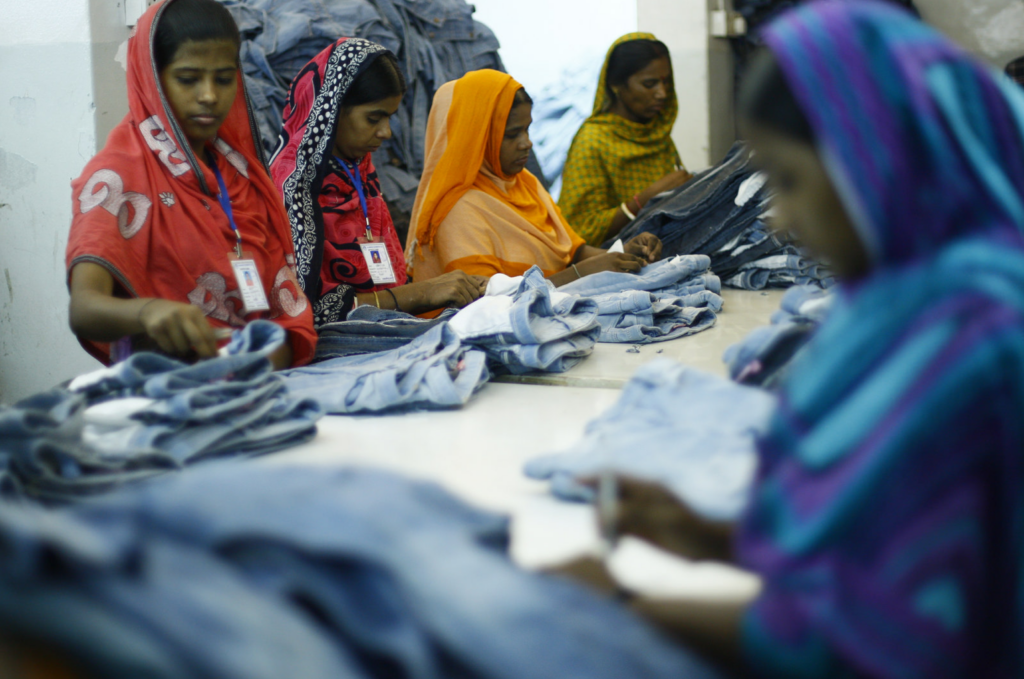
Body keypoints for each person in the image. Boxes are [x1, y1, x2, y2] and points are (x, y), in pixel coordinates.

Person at [558, 2, 1024, 677]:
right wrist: (713, 537)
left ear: (875, 158)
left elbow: (882, 645)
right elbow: (876, 542)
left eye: (791, 180)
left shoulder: (971, 342)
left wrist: (622, 604)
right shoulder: (903, 305)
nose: (777, 219)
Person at [66, 0, 315, 370]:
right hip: (166, 388)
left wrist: (257, 357)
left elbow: (285, 315)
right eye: (188, 79)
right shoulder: (117, 177)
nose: (209, 96)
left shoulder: (243, 178)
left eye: (224, 78)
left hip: (258, 382)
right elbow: (85, 308)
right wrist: (148, 312)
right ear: (152, 76)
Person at [271, 39, 487, 328]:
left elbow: (386, 283)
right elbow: (307, 310)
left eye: (389, 118)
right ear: (333, 112)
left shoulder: (360, 176)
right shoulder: (292, 189)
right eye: (374, 118)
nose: (385, 132)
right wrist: (421, 294)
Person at [405, 69, 662, 286]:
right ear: (475, 137)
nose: (526, 143)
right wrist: (579, 275)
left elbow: (573, 252)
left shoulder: (524, 184)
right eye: (512, 134)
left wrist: (622, 253)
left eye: (527, 130)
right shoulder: (457, 210)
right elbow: (487, 302)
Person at [558, 33, 693, 246]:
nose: (662, 94)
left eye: (666, 82)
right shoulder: (593, 141)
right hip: (613, 266)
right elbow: (579, 230)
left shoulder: (657, 135)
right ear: (616, 85)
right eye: (649, 84)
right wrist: (645, 200)